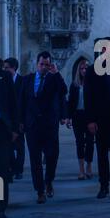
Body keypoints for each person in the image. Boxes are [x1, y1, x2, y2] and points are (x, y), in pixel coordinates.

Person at [20, 51, 68, 203]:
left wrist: (57, 73)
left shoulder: (54, 79)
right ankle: (40, 190)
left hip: (49, 125)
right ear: (37, 64)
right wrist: (21, 122)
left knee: (52, 156)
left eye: (47, 65)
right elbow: (22, 102)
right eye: (42, 64)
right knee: (35, 160)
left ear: (50, 65)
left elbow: (63, 91)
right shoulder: (27, 80)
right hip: (32, 126)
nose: (44, 67)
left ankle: (49, 181)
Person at [84, 38, 110, 203]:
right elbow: (88, 96)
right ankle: (103, 186)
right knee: (102, 154)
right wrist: (90, 120)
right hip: (100, 119)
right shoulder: (93, 70)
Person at [0, 61, 19, 218]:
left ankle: (0, 207)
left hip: (1, 129)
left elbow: (13, 103)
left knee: (1, 171)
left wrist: (15, 129)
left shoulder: (4, 76)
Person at [67, 60, 94, 180]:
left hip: (89, 116)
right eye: (82, 68)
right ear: (79, 70)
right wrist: (68, 117)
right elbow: (70, 103)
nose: (84, 70)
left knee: (89, 141)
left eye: (86, 68)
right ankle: (81, 169)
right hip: (77, 116)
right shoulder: (74, 85)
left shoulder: (93, 84)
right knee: (79, 142)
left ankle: (89, 166)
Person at [4, 58, 25, 180]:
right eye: (4, 67)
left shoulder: (22, 81)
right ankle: (12, 169)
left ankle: (19, 170)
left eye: (7, 67)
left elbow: (25, 102)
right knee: (9, 146)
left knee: (20, 146)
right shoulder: (4, 81)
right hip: (8, 120)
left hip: (20, 119)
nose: (5, 70)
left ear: (14, 68)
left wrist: (22, 121)